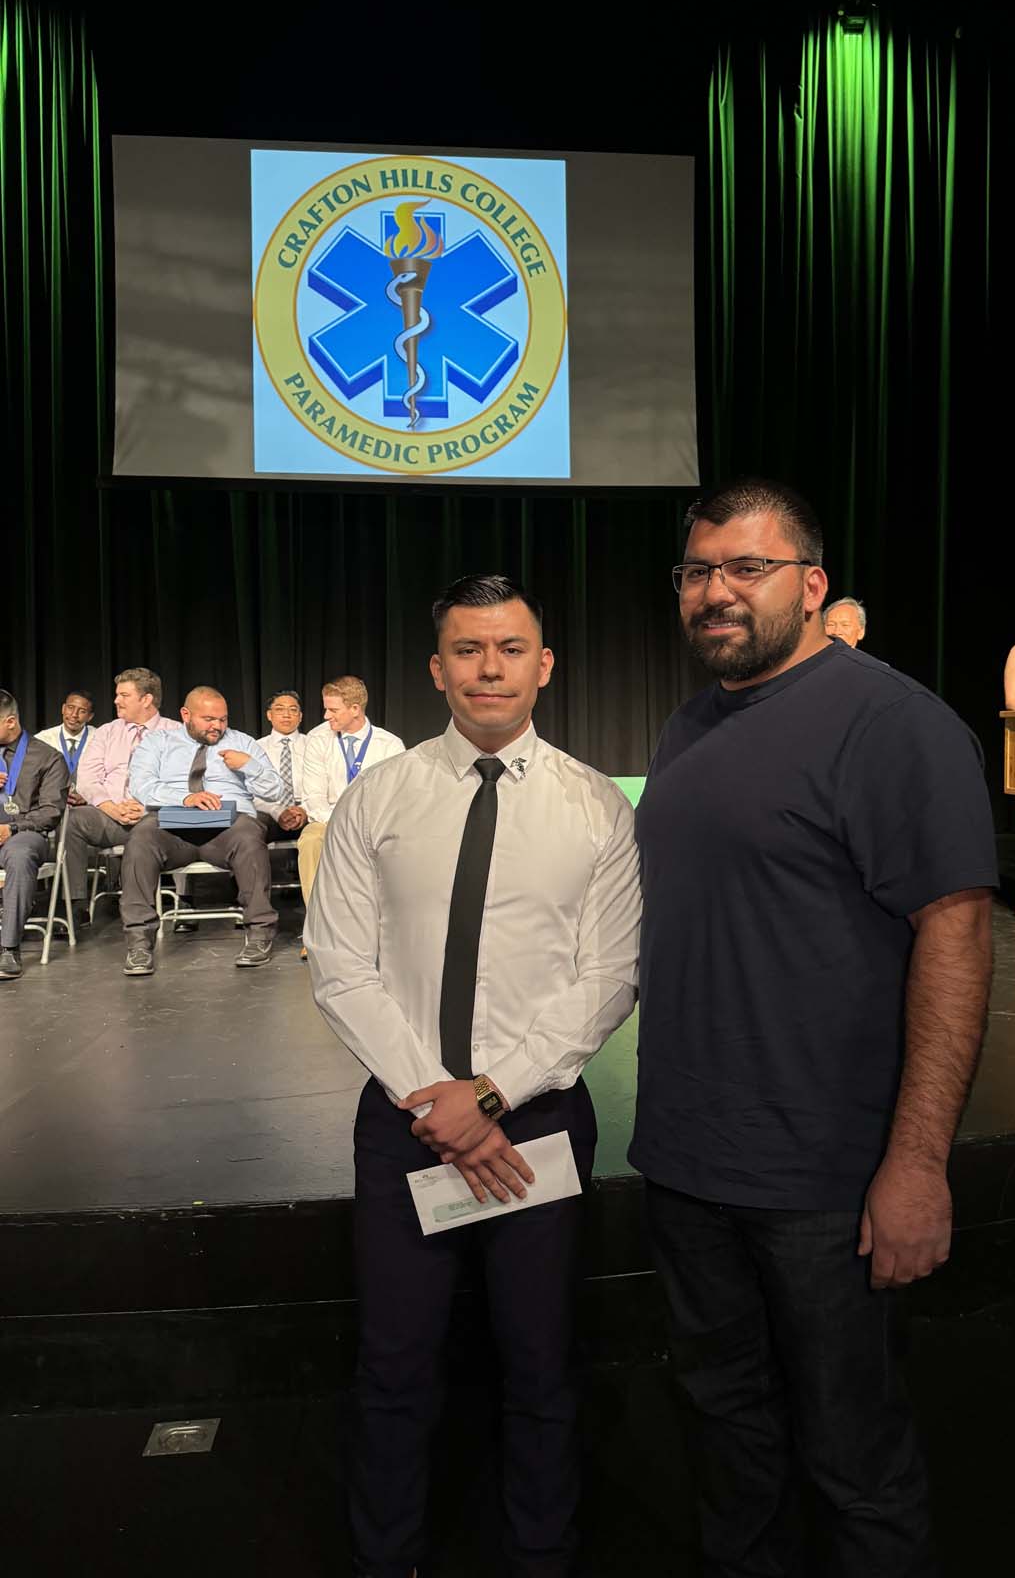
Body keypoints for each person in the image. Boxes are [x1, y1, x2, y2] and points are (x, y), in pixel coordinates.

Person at [630, 478, 997, 1576]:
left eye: (748, 569)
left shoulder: (895, 724)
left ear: (814, 585)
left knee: (855, 1460)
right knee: (727, 1443)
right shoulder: (692, 722)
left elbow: (958, 936)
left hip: (826, 1183)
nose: (717, 593)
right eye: (699, 572)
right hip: (690, 1169)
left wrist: (919, 1162)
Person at [306, 575, 641, 1578]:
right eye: (467, 649)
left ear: (545, 665)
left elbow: (608, 977)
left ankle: (542, 1555)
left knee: (541, 1367)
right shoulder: (381, 796)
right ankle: (388, 1558)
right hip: (402, 1121)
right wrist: (440, 1099)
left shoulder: (595, 809)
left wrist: (490, 1096)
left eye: (509, 648)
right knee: (396, 1369)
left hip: (537, 1126)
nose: (488, 667)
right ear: (436, 667)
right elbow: (338, 966)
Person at [121, 686, 284, 976]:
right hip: (173, 826)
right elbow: (141, 785)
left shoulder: (242, 743)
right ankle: (138, 943)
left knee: (250, 835)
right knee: (141, 837)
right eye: (209, 719)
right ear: (186, 715)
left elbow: (275, 791)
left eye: (222, 719)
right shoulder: (158, 742)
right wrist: (184, 798)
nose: (217, 726)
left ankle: (259, 935)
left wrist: (250, 766)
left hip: (228, 826)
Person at [69, 669, 183, 923]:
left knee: (183, 817)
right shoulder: (107, 732)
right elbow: (87, 779)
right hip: (111, 817)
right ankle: (75, 905)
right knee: (73, 820)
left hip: (155, 818)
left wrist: (146, 808)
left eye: (124, 695)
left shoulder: (176, 733)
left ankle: (182, 898)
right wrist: (110, 807)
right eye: (117, 694)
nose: (116, 700)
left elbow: (182, 784)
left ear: (146, 699)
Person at [296, 674, 404, 934]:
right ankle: (320, 930)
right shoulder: (318, 739)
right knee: (310, 841)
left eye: (333, 710)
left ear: (355, 709)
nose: (325, 716)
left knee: (401, 844)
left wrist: (364, 823)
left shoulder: (389, 745)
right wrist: (339, 822)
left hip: (375, 823)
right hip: (328, 820)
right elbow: (313, 796)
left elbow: (397, 799)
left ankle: (387, 930)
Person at [0, 690, 69, 980]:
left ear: (11, 721)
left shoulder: (47, 757)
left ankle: (8, 948)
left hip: (23, 833)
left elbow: (52, 811)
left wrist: (12, 827)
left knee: (19, 853)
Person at [255, 689, 310, 843]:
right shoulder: (255, 748)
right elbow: (250, 792)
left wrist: (303, 810)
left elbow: (324, 787)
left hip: (308, 812)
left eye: (293, 710)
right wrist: (277, 812)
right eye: (279, 709)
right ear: (269, 715)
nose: (287, 715)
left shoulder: (313, 745)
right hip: (268, 813)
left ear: (300, 717)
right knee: (249, 828)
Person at [35, 691, 96, 776]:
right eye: (70, 707)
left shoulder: (99, 738)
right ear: (63, 709)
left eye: (82, 711)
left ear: (90, 716)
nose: (74, 714)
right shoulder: (43, 739)